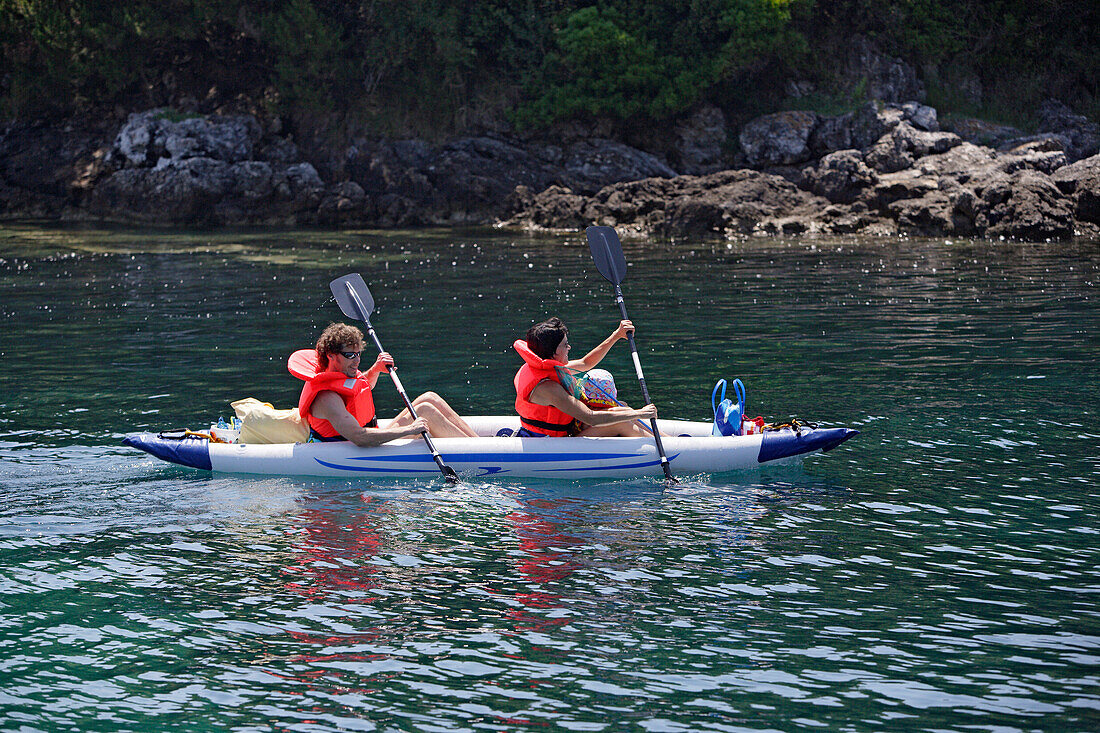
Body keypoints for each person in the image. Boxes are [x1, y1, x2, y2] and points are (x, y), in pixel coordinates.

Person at [290, 323, 478, 447]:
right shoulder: (327, 398)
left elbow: (358, 389)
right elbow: (360, 438)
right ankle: (481, 453)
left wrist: (375, 370)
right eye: (350, 355)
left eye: (358, 354)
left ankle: (480, 445)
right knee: (425, 412)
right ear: (330, 355)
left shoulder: (341, 372)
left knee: (430, 397)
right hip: (352, 450)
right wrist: (410, 429)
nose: (356, 361)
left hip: (370, 437)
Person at [513, 317, 658, 437]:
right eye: (565, 345)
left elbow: (586, 363)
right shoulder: (547, 388)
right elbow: (590, 417)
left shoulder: (547, 366)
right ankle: (669, 451)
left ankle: (668, 441)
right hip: (548, 441)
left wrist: (616, 335)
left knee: (622, 408)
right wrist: (641, 412)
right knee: (623, 422)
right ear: (553, 351)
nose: (569, 348)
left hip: (568, 429)